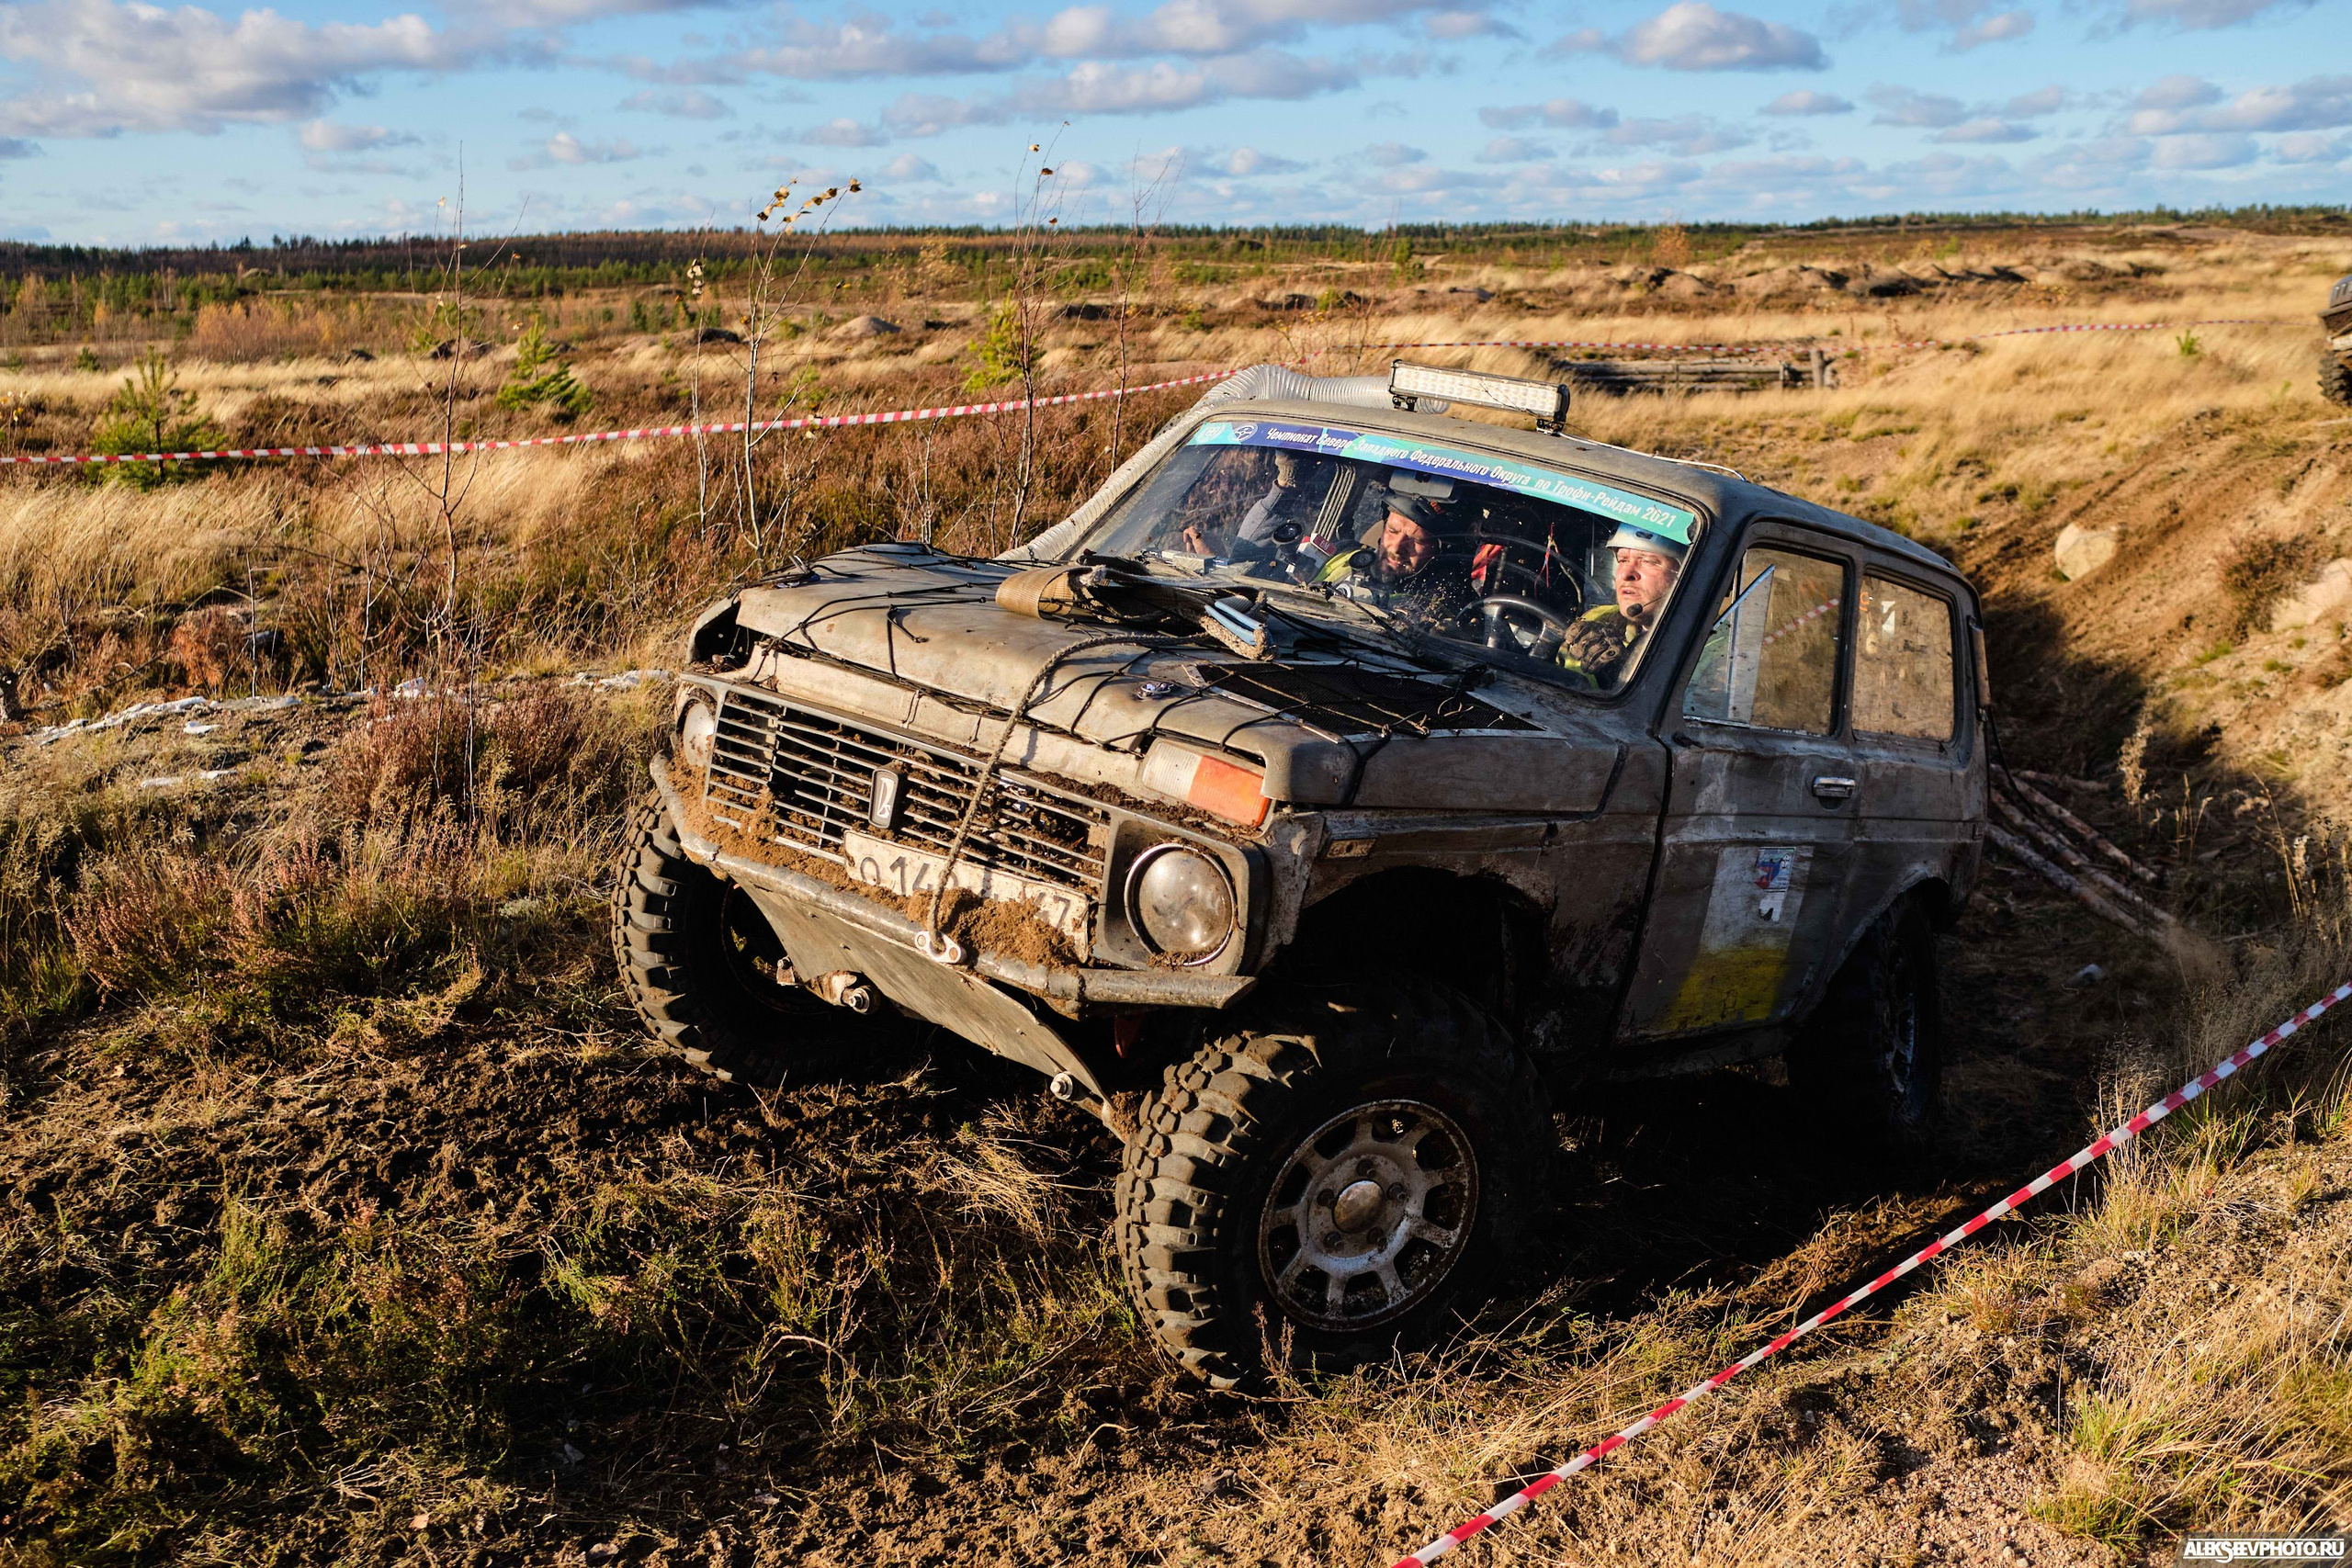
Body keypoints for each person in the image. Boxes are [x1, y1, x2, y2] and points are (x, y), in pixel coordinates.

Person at [1311, 491, 1476, 624]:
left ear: (1441, 551)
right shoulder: (1343, 556)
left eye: (1417, 540)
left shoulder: (1449, 611)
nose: (1396, 547)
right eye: (1392, 530)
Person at [1559, 524, 1684, 687]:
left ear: (1683, 573)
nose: (1626, 574)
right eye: (1623, 560)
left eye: (1647, 561)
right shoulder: (1597, 617)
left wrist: (1624, 673)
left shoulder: (1708, 651)